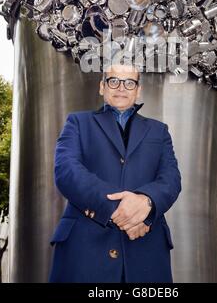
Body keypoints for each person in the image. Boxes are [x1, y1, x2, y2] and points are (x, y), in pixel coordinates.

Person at [49, 63, 181, 283]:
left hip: (146, 248)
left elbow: (171, 179)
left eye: (129, 82)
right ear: (102, 87)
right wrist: (123, 211)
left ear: (138, 90)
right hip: (84, 252)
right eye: (114, 81)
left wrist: (146, 206)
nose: (121, 87)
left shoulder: (159, 130)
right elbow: (67, 171)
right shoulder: (77, 122)